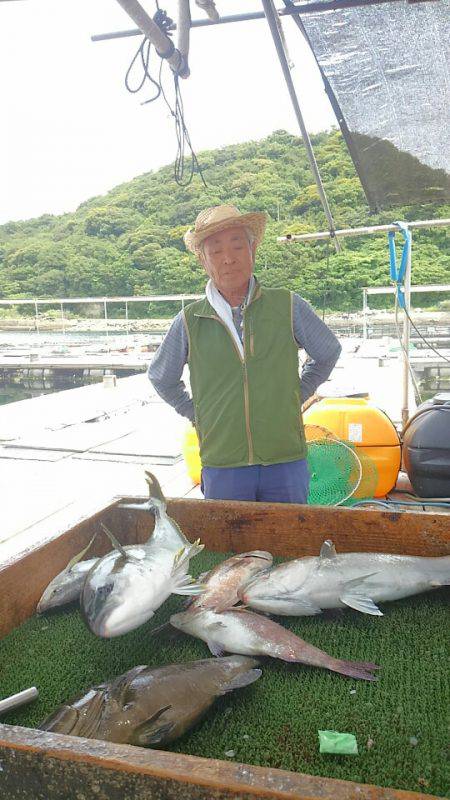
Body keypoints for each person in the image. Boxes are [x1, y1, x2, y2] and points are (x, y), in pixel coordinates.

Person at [149, 204, 341, 503]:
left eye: (238, 246)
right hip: (223, 463)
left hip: (284, 460)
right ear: (203, 260)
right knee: (229, 535)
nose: (228, 258)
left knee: (289, 533)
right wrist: (196, 413)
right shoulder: (189, 320)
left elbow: (327, 352)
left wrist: (296, 394)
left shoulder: (287, 305)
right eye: (216, 251)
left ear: (253, 250)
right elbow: (161, 377)